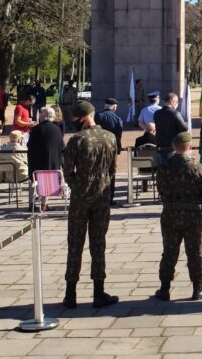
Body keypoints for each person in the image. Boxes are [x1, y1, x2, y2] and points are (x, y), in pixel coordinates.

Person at [62, 101, 119, 309]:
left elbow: (67, 171)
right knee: (98, 244)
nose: (74, 123)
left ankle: (70, 294)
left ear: (85, 117)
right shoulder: (110, 137)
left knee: (75, 244)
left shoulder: (77, 140)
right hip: (102, 197)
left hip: (80, 198)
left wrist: (79, 187)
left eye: (76, 119)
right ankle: (98, 292)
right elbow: (112, 169)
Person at [155, 131, 202, 301]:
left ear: (174, 147)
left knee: (169, 251)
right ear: (190, 147)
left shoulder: (164, 168)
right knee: (194, 252)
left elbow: (161, 191)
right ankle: (197, 287)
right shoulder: (197, 167)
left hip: (170, 213)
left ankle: (164, 288)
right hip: (192, 215)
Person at [94, 98, 125, 205]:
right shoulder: (118, 119)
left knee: (99, 171)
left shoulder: (98, 116)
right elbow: (119, 136)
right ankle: (110, 197)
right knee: (111, 173)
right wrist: (118, 147)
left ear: (105, 106)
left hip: (99, 148)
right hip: (112, 149)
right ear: (115, 107)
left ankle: (99, 196)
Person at [154, 92, 189, 164]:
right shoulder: (175, 113)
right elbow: (184, 128)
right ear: (172, 102)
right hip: (173, 147)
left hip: (160, 147)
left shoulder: (156, 113)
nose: (177, 104)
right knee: (173, 170)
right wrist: (186, 122)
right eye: (177, 102)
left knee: (162, 170)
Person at [27, 106, 64, 174]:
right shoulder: (57, 129)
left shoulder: (36, 129)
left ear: (41, 117)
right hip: (54, 166)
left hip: (39, 167)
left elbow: (30, 145)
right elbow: (61, 146)